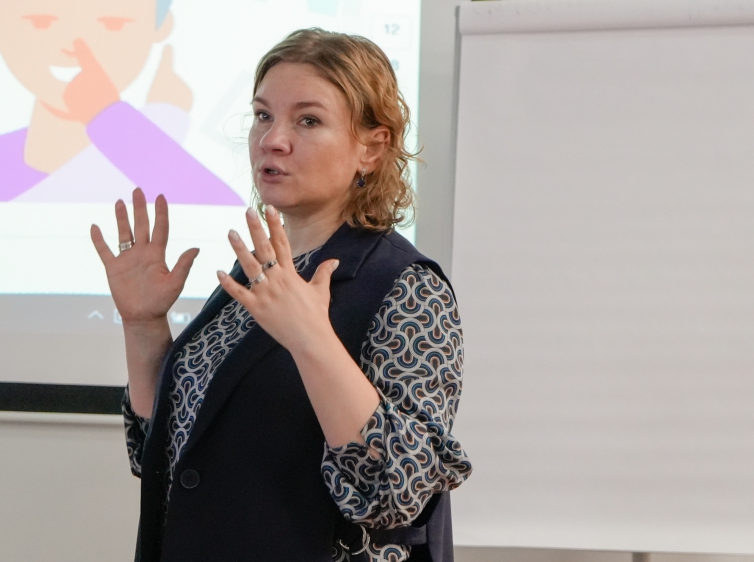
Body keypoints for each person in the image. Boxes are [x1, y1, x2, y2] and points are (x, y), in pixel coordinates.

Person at [90, 28, 472, 562]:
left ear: (371, 147)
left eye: (308, 120)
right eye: (263, 115)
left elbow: (401, 493)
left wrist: (312, 341)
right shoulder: (258, 271)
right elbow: (161, 452)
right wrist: (143, 325)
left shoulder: (407, 287)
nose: (272, 139)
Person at [0, 0, 242, 205]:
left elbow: (229, 222)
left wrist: (121, 119)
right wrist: (161, 119)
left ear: (162, 26)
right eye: (41, 21)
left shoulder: (167, 167)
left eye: (113, 24)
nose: (73, 45)